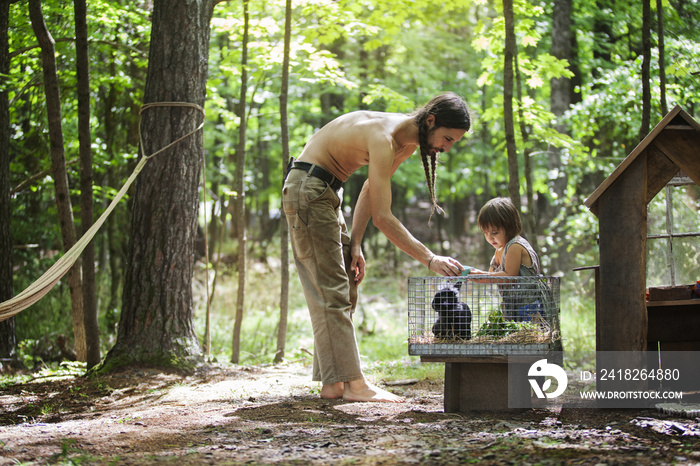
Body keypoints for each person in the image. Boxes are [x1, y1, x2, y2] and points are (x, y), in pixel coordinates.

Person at [282, 92, 471, 402]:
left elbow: (371, 188)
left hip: (324, 192)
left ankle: (334, 384)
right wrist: (430, 258)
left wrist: (355, 242)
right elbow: (384, 218)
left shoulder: (404, 143)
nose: (446, 148)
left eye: (453, 143)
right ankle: (356, 386)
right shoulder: (384, 138)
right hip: (309, 189)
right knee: (333, 293)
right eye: (447, 139)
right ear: (431, 121)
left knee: (346, 287)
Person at [469, 197, 546, 322]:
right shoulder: (499, 249)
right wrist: (474, 274)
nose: (490, 238)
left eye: (494, 232)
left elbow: (509, 276)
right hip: (513, 306)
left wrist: (482, 276)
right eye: (485, 233)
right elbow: (492, 275)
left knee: (527, 338)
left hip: (528, 306)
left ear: (509, 227)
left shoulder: (514, 246)